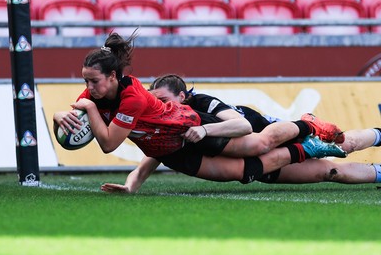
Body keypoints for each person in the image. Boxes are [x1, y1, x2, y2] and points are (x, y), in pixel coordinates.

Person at [53, 32, 345, 186]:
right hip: (172, 149)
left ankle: (307, 126)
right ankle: (308, 149)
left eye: (93, 81)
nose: (88, 88)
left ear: (113, 77)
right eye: (85, 82)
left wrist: (89, 107)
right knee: (241, 173)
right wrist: (57, 116)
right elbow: (77, 114)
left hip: (188, 124)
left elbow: (108, 143)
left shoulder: (132, 96)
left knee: (258, 143)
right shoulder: (94, 94)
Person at [100, 74, 381, 193]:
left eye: (165, 100)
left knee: (348, 144)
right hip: (258, 160)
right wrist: (131, 185)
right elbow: (154, 156)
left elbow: (243, 127)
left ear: (183, 96)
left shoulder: (201, 104)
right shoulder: (167, 123)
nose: (160, 106)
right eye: (155, 101)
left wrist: (205, 129)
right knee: (329, 173)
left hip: (270, 133)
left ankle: (315, 126)